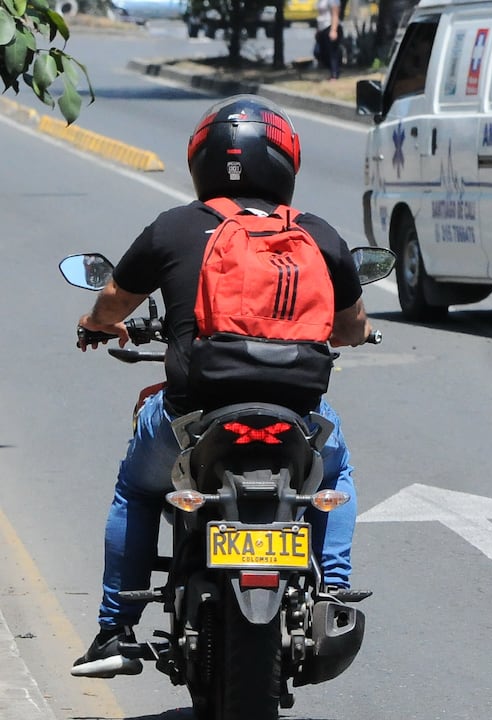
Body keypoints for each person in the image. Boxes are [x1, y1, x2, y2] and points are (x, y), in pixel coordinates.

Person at [69, 94, 372, 679]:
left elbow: (112, 304)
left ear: (201, 161)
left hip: (193, 418)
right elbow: (353, 327)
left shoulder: (173, 227)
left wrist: (95, 327)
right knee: (337, 472)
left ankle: (115, 631)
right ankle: (332, 592)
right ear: (286, 164)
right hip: (298, 418)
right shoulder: (319, 235)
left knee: (137, 487)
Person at [314, 0, 343, 80]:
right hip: (322, 28)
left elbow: (335, 14)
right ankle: (332, 70)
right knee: (318, 52)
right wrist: (317, 30)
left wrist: (333, 30)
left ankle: (335, 74)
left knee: (332, 53)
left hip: (330, 26)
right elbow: (320, 15)